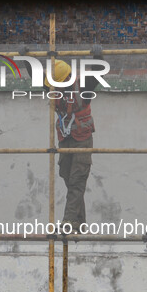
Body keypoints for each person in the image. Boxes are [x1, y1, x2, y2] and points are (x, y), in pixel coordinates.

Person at [45, 52, 102, 232]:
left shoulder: (83, 86)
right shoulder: (53, 88)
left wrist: (97, 56)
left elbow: (99, 71)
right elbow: (35, 77)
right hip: (65, 138)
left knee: (77, 181)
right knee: (68, 178)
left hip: (82, 139)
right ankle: (79, 223)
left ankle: (69, 223)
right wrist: (25, 55)